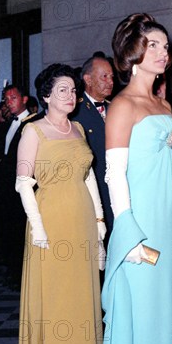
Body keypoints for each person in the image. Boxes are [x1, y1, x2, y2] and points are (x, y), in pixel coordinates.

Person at [99, 13, 172, 344]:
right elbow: (114, 175)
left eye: (164, 45)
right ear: (132, 52)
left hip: (170, 225)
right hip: (140, 231)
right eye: (152, 45)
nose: (162, 52)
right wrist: (129, 237)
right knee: (143, 320)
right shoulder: (122, 105)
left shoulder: (165, 107)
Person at [15, 64, 106, 344]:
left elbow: (89, 176)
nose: (71, 96)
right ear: (46, 96)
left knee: (83, 297)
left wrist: (98, 220)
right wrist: (38, 228)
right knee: (56, 299)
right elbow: (24, 184)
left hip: (81, 220)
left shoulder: (79, 130)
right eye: (63, 90)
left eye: (73, 90)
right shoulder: (33, 130)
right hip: (50, 221)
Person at [72, 52, 115, 238]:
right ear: (88, 79)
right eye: (104, 76)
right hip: (92, 190)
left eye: (112, 77)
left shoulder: (115, 107)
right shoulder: (76, 112)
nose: (110, 81)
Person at [0, 84, 30, 287]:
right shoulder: (7, 125)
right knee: (9, 228)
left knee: (20, 228)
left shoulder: (33, 123)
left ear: (24, 100)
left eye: (13, 98)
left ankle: (21, 275)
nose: (8, 102)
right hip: (7, 187)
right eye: (6, 99)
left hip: (22, 185)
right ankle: (13, 271)